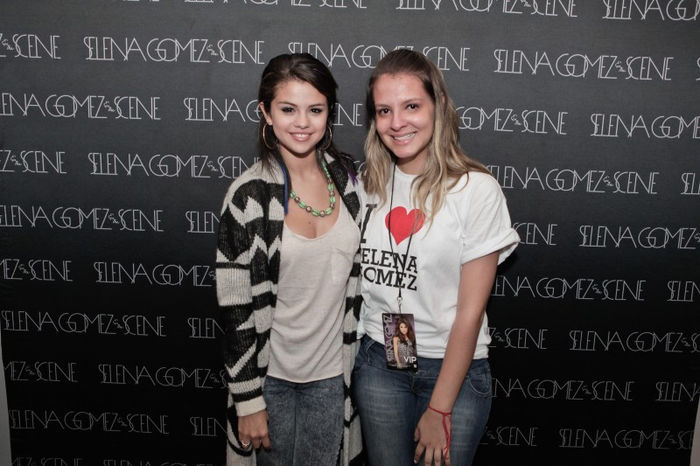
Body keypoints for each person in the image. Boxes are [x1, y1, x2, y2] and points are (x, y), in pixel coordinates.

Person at [353, 49, 520, 466]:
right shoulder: (366, 184)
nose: (397, 123)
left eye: (412, 106)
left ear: (438, 106)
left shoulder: (476, 190)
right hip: (379, 364)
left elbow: (470, 313)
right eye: (384, 110)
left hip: (454, 374)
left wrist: (440, 407)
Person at [216, 53, 363, 466]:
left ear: (329, 113)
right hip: (270, 381)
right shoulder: (248, 197)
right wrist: (247, 401)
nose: (302, 122)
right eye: (288, 109)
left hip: (334, 378)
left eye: (315, 110)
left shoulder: (350, 183)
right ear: (265, 111)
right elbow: (234, 309)